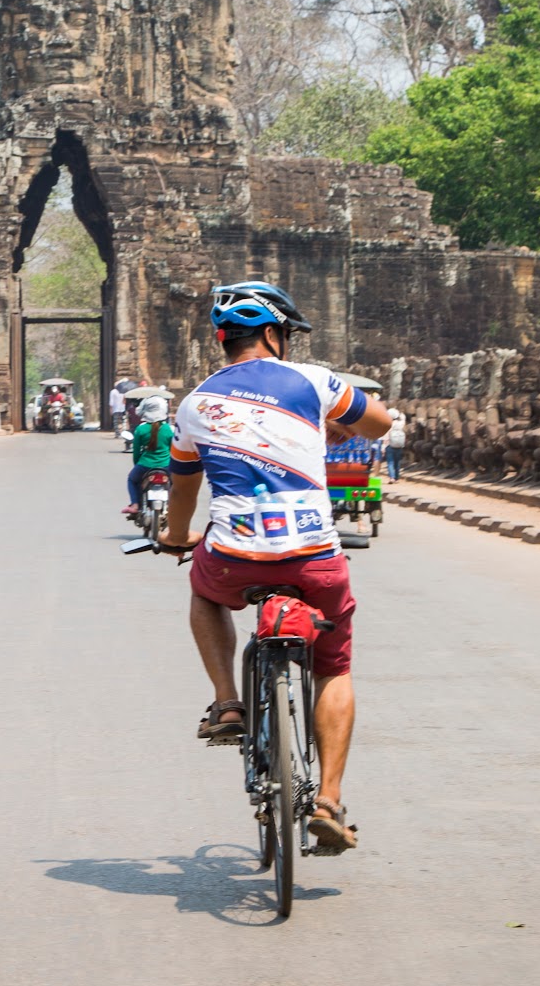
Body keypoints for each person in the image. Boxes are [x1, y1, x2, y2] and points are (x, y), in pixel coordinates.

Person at [160, 281, 391, 852]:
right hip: (314, 555)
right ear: (272, 335)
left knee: (205, 594)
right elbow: (380, 424)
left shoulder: (193, 405)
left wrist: (173, 536)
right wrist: (339, 423)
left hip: (233, 555)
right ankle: (330, 800)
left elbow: (183, 490)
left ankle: (227, 702)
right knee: (333, 665)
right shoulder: (313, 381)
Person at [123, 394, 174, 515]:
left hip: (145, 465)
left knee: (131, 480)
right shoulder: (168, 429)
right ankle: (173, 506)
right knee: (175, 484)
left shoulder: (140, 430)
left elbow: (136, 452)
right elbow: (173, 451)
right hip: (166, 466)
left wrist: (137, 465)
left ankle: (135, 504)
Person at [384, 406, 406, 482]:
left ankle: (392, 477)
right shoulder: (401, 423)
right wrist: (399, 413)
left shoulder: (388, 424)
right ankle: (396, 477)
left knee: (390, 462)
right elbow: (403, 417)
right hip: (399, 445)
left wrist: (383, 447)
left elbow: (385, 436)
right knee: (397, 462)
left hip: (390, 445)